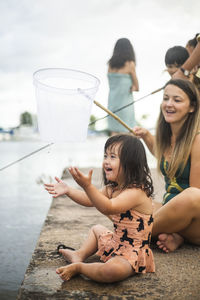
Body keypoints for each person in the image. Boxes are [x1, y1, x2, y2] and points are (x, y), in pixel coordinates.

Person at [44, 134, 155, 282]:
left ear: (131, 163)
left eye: (113, 157)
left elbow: (108, 207)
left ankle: (80, 267)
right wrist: (69, 190)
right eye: (105, 156)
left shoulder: (135, 193)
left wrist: (88, 186)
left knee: (111, 271)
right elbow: (89, 200)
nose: (106, 161)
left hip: (132, 252)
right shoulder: (113, 188)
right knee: (97, 229)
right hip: (116, 242)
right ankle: (80, 254)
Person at [133, 79, 200, 253]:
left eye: (177, 100)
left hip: (195, 218)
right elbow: (168, 159)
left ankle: (130, 235)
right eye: (166, 98)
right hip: (170, 209)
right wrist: (146, 135)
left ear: (192, 107)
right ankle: (172, 234)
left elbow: (196, 196)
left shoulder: (198, 139)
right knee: (129, 198)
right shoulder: (169, 138)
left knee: (192, 194)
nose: (169, 104)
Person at [107, 38, 139, 135]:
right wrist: (131, 87)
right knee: (127, 134)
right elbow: (136, 87)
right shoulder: (130, 64)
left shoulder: (110, 65)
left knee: (114, 134)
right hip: (125, 105)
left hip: (112, 104)